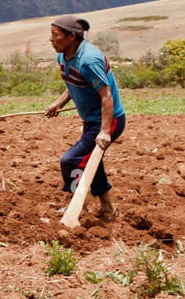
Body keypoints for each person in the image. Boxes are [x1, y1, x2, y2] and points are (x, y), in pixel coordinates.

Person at [44, 15, 125, 220]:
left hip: (109, 120)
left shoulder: (89, 60)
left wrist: (105, 131)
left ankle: (77, 204)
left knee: (71, 159)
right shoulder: (63, 56)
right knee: (92, 161)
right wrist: (59, 103)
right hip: (91, 121)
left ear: (71, 37)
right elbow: (73, 82)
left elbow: (106, 97)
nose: (51, 40)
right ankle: (107, 207)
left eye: (55, 35)